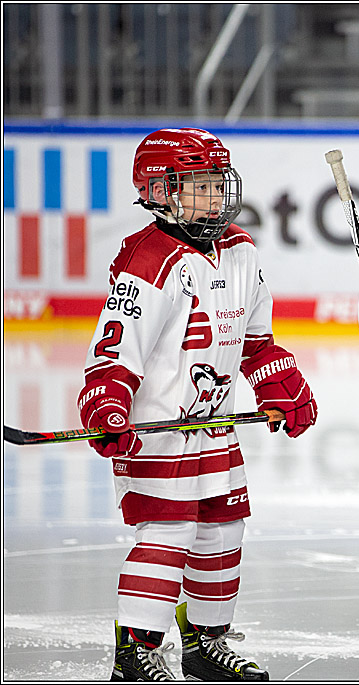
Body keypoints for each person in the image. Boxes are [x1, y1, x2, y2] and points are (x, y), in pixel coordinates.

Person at [79, 128, 317, 681]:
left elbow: (255, 342)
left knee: (222, 533)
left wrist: (281, 385)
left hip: (215, 429)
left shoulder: (240, 250)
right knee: (168, 534)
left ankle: (203, 643)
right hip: (156, 432)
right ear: (160, 190)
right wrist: (108, 406)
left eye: (217, 183)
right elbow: (114, 351)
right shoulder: (147, 259)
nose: (216, 197)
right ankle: (134, 653)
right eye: (199, 185)